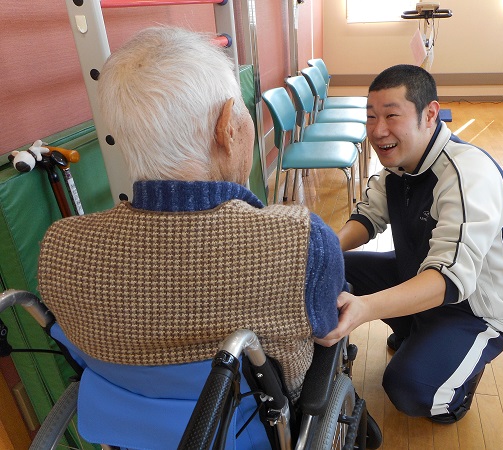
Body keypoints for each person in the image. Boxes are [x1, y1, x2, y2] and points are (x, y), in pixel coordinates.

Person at [36, 26, 345, 449]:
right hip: (252, 431)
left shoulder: (62, 247)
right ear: (227, 128)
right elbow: (326, 327)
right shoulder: (298, 240)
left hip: (131, 430)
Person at [316, 64, 503, 424]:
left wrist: (364, 308)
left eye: (391, 116)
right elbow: (368, 217)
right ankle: (416, 330)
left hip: (474, 308)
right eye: (371, 117)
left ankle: (457, 387)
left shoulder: (467, 174)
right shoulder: (399, 165)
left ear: (430, 114)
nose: (378, 131)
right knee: (337, 262)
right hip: (420, 274)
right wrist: (324, 250)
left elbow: (450, 279)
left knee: (408, 389)